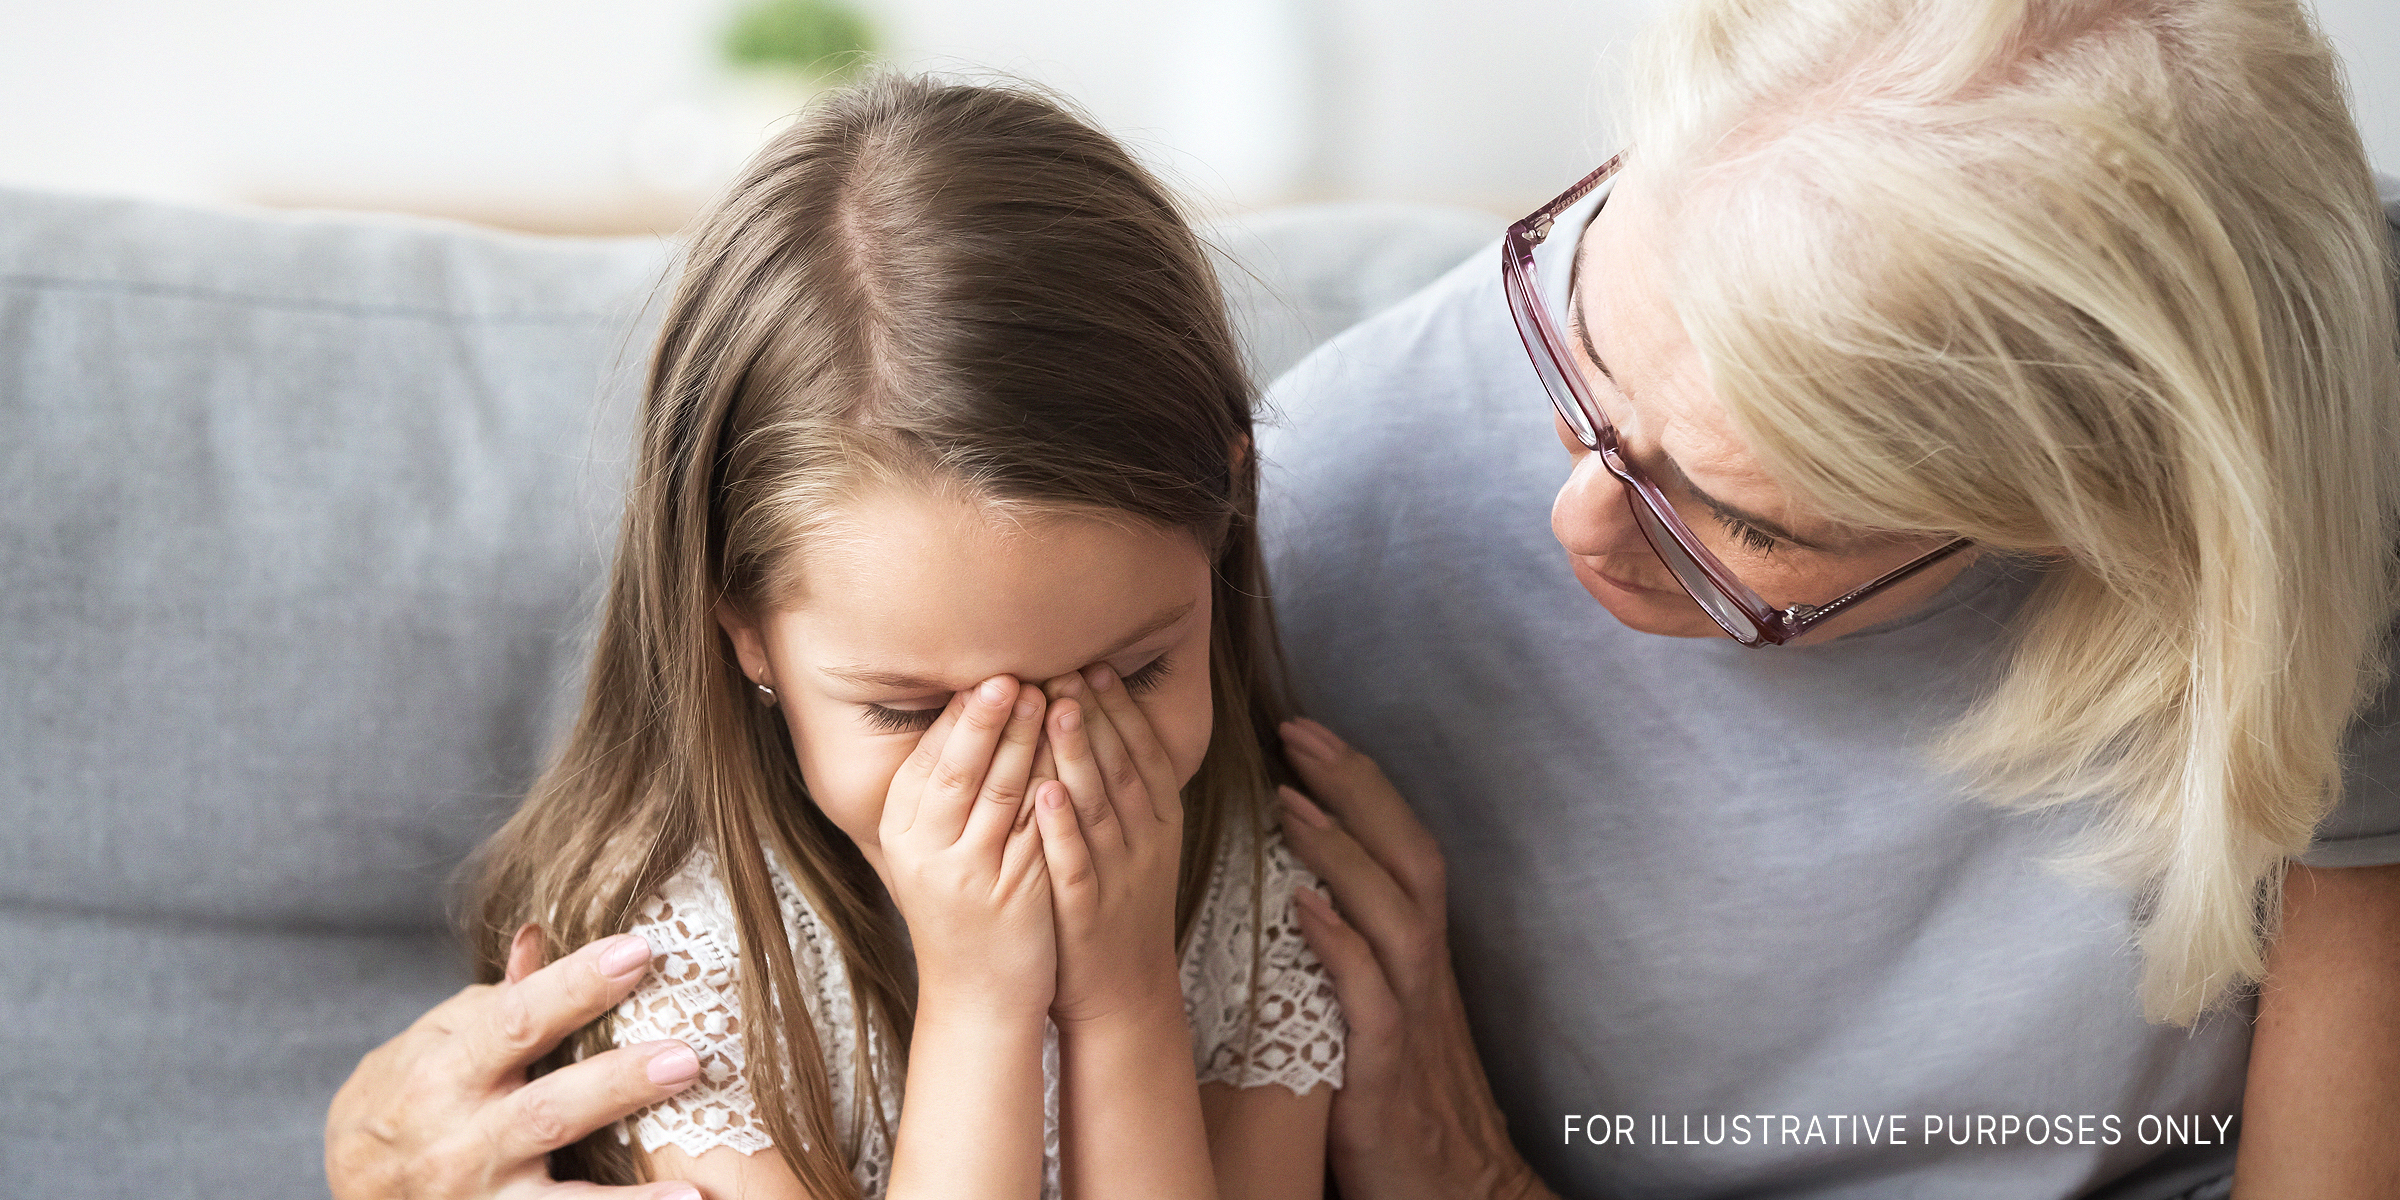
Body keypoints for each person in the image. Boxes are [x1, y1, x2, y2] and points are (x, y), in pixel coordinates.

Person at [324, 1, 2400, 1197]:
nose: (1569, 527)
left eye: (1735, 527)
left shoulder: (2316, 470)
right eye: (1584, 341)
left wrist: (1122, 986)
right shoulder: (1329, 531)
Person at [429, 75, 1343, 1200]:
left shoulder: (1253, 897)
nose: (1038, 778)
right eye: (911, 711)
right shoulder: (683, 951)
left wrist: (1127, 1001)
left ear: (1224, 525)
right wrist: (982, 1007)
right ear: (745, 632)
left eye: (1133, 674)